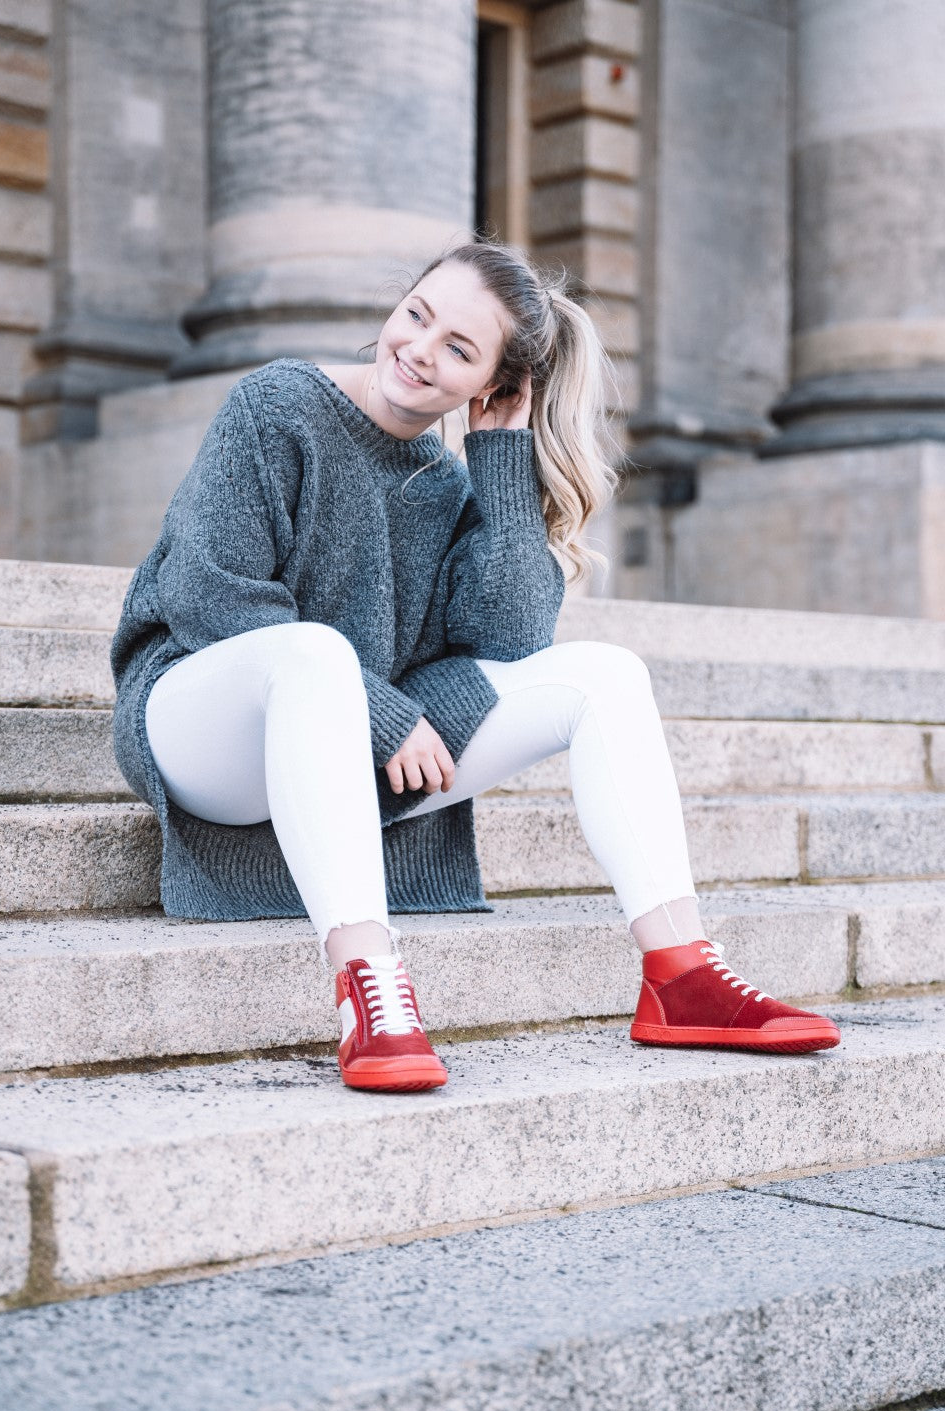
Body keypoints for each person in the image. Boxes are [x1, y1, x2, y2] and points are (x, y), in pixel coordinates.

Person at [110, 238, 841, 1095]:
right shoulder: (276, 406)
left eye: (459, 348)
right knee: (313, 652)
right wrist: (384, 715)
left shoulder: (447, 482)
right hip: (200, 724)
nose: (420, 350)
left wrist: (499, 462)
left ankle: (682, 974)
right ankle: (371, 988)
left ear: (491, 385)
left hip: (342, 744)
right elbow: (210, 597)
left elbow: (513, 638)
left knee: (606, 674)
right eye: (417, 315)